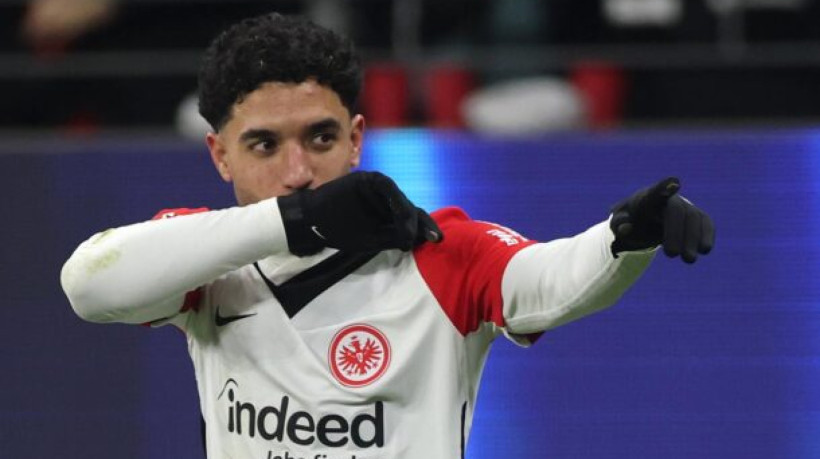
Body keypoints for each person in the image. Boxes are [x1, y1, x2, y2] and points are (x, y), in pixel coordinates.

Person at [60, 12, 714, 458]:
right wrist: (295, 223)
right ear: (219, 156)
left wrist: (625, 236)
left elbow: (553, 279)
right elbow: (87, 285)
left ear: (357, 140)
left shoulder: (442, 251)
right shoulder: (204, 259)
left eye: (321, 137)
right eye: (264, 144)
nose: (298, 171)